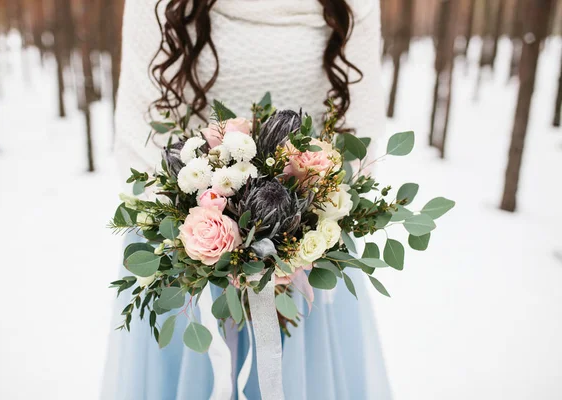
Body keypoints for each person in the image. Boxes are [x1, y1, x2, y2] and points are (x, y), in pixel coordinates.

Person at [103, 0, 391, 399]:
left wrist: (296, 238)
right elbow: (139, 131)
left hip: (306, 261)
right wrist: (204, 240)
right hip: (184, 261)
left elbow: (361, 128)